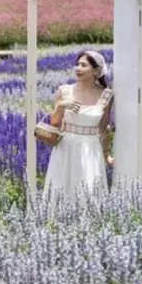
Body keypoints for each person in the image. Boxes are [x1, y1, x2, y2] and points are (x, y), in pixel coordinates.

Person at [43, 50, 115, 202]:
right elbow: (54, 123)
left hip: (91, 149)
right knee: (61, 189)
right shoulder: (65, 91)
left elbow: (103, 128)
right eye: (77, 65)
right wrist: (62, 105)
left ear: (96, 71)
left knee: (89, 191)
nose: (78, 68)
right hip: (66, 148)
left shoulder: (106, 95)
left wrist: (105, 155)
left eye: (83, 65)